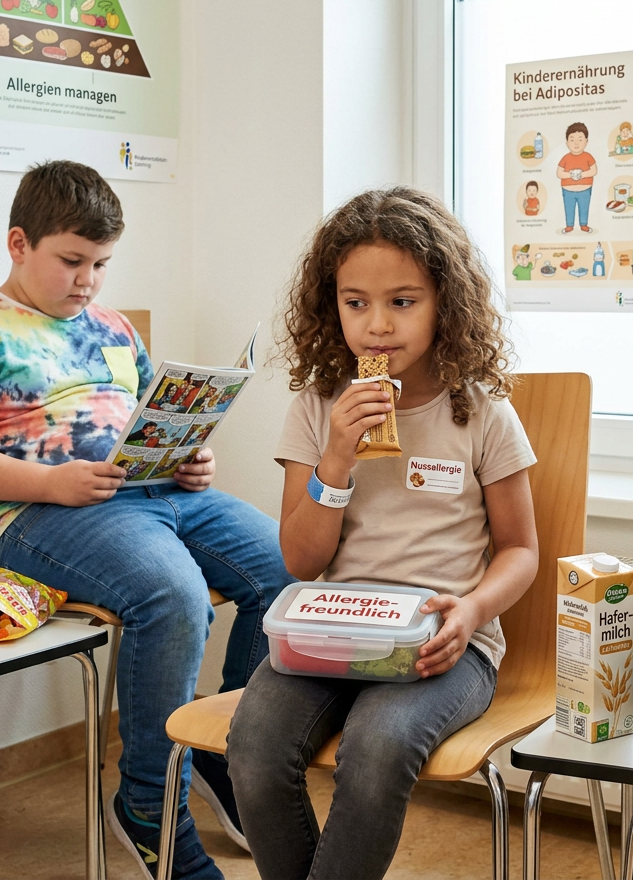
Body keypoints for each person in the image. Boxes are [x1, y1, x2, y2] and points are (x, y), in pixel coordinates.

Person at [0, 161, 293, 880]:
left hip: (153, 495)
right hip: (38, 516)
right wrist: (51, 482)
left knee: (288, 567)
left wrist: (190, 460)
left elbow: (146, 422)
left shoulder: (114, 329)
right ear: (19, 243)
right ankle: (152, 809)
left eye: (101, 264)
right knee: (173, 595)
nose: (87, 279)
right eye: (72, 261)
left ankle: (220, 755)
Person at [226, 187, 540, 880]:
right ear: (329, 305)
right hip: (331, 632)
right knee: (251, 746)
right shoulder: (317, 407)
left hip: (442, 644)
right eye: (355, 302)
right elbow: (302, 558)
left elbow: (522, 549)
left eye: (403, 301)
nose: (377, 325)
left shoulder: (481, 412)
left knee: (377, 748)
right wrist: (336, 457)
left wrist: (474, 612)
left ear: (444, 304)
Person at [556, 122, 597, 233]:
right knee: (569, 208)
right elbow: (559, 173)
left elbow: (594, 171)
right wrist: (571, 174)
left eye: (580, 139)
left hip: (585, 189)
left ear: (586, 141)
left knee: (584, 207)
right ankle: (569, 225)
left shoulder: (588, 156)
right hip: (568, 190)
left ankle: (584, 224)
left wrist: (581, 174)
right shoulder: (565, 158)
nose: (576, 143)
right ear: (567, 143)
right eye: (572, 140)